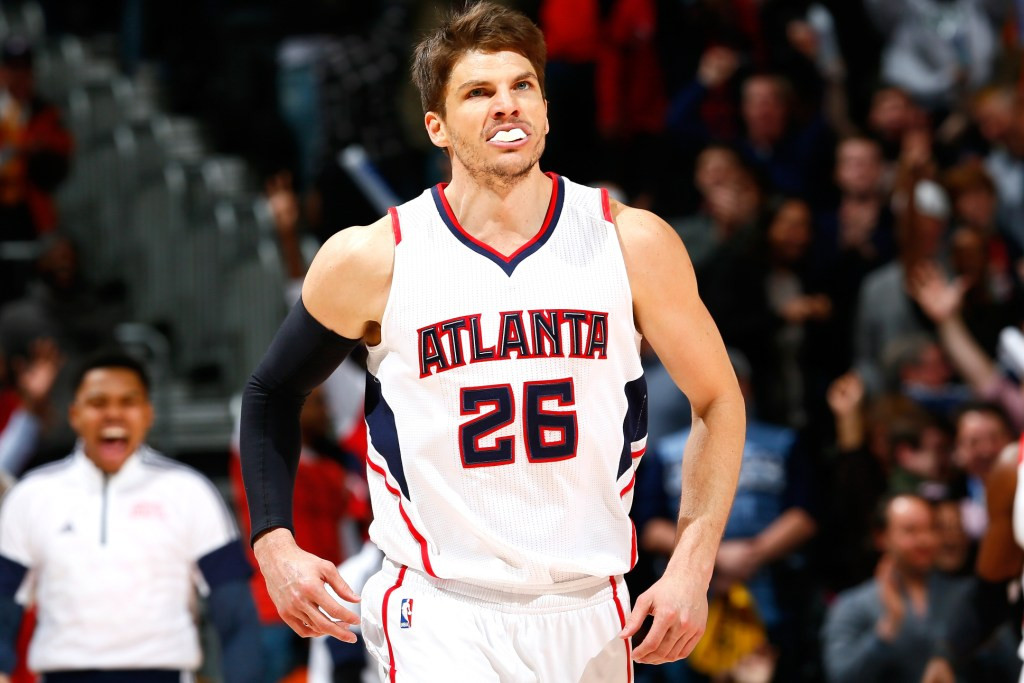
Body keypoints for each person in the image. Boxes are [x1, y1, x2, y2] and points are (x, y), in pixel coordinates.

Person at [240, 3, 745, 681]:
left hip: (590, 604)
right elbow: (271, 391)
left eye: (522, 86)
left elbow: (718, 399)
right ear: (437, 126)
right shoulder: (375, 257)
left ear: (544, 108)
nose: (507, 105)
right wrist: (274, 540)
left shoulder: (631, 241)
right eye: (479, 92)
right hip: (441, 609)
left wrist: (692, 562)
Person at [0, 350, 263, 682]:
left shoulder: (190, 492)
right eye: (98, 403)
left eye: (128, 402)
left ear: (148, 413)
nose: (113, 414)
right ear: (74, 413)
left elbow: (235, 611)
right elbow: (4, 600)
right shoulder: (32, 495)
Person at [821, 494, 1017, 683]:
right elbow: (841, 676)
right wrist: (887, 628)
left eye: (931, 529)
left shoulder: (967, 595)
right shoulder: (852, 605)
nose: (924, 540)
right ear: (881, 537)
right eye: (910, 531)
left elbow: (1010, 663)